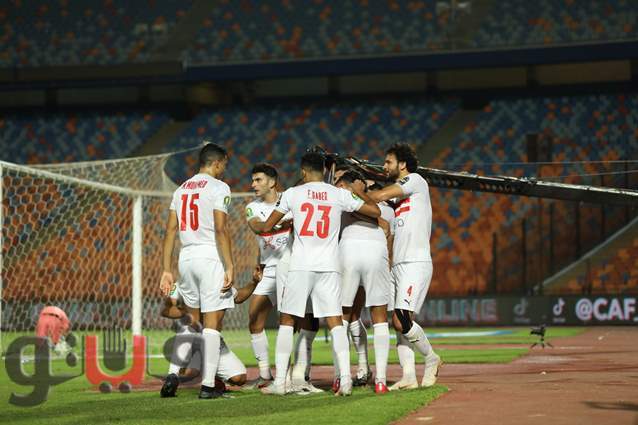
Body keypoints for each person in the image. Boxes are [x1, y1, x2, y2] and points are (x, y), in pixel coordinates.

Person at [253, 152, 381, 396]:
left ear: (303, 171)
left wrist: (257, 225)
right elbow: (375, 211)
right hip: (329, 266)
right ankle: (345, 380)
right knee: (335, 321)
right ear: (324, 170)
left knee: (287, 320)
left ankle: (280, 382)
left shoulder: (292, 193)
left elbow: (267, 226)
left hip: (301, 265)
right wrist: (358, 192)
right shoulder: (338, 194)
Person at [159, 143, 235, 400]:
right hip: (209, 256)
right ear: (217, 163)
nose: (224, 169)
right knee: (212, 323)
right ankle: (208, 386)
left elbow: (170, 230)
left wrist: (166, 269)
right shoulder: (219, 187)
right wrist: (229, 265)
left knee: (191, 321)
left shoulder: (181, 189)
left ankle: (172, 374)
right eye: (224, 164)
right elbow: (220, 229)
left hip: (186, 257)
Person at [369, 143, 442, 390]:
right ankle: (409, 376)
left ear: (402, 164)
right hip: (398, 264)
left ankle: (431, 358)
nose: (384, 166)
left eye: (388, 161)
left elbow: (378, 196)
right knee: (397, 322)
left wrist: (356, 193)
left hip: (415, 261)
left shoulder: (415, 181)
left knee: (402, 319)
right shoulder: (398, 197)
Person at [335, 170, 395, 394]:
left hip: (348, 249)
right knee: (379, 318)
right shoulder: (386, 209)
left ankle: (340, 378)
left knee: (341, 317)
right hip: (376, 251)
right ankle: (380, 381)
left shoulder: (339, 198)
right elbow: (385, 227)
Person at [244, 163, 292, 387]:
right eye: (253, 180)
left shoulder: (290, 200)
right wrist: (258, 262)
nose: (253, 184)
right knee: (254, 318)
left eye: (258, 180)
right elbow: (259, 228)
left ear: (272, 182)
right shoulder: (252, 207)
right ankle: (264, 374)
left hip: (290, 266)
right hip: (268, 268)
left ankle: (290, 373)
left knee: (289, 320)